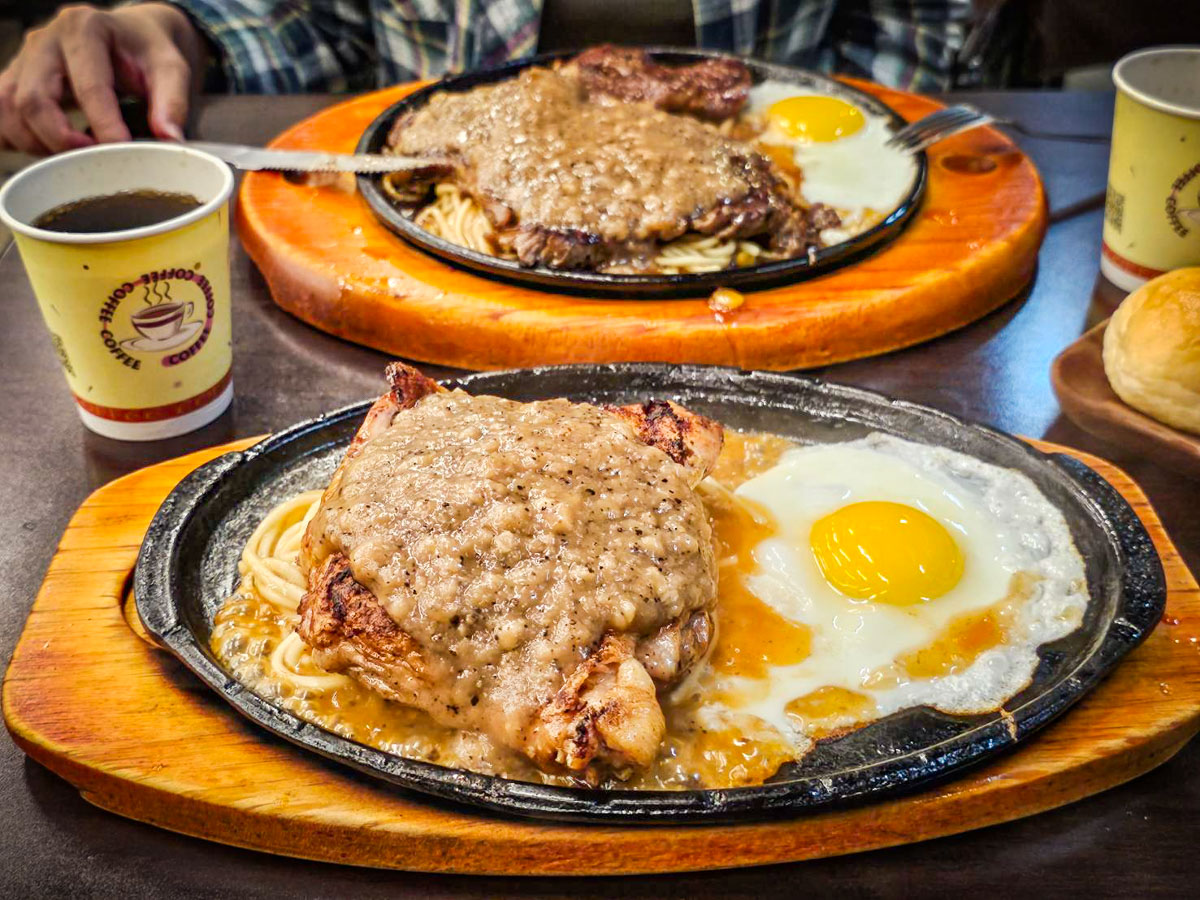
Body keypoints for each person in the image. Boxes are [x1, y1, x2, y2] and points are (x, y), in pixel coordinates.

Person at [0, 0, 974, 156]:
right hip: (424, 273)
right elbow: (305, 34)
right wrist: (165, 27)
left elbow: (910, 29)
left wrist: (859, 157)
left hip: (797, 283)